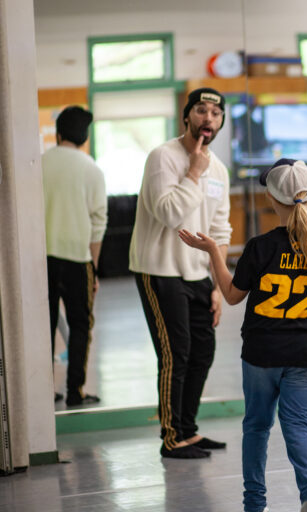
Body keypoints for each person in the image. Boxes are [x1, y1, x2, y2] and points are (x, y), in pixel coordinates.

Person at [179, 158, 307, 512]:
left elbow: (232, 295)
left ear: (271, 199)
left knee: (257, 427)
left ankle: (254, 503)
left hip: (262, 353)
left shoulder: (260, 247)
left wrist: (213, 252)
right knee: (299, 425)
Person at [129, 87, 232, 459]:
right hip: (159, 270)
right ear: (187, 115)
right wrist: (193, 172)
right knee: (176, 354)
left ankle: (188, 430)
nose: (208, 118)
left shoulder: (219, 170)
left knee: (203, 351)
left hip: (198, 274)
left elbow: (220, 231)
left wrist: (218, 285)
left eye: (215, 114)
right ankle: (172, 437)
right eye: (201, 110)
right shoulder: (163, 157)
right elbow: (170, 213)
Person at [42, 105, 107, 406]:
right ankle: (75, 392)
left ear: (58, 134)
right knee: (81, 326)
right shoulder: (91, 168)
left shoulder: (40, 164)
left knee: (44, 326)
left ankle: (43, 392)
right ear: (84, 136)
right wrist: (94, 266)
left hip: (42, 259)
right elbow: (99, 221)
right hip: (79, 259)